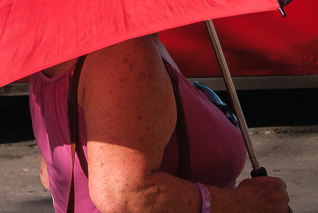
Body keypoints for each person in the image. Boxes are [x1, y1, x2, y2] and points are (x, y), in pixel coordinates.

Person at [29, 35, 291, 213]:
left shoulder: (56, 46)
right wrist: (247, 203)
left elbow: (50, 173)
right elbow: (124, 193)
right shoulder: (123, 54)